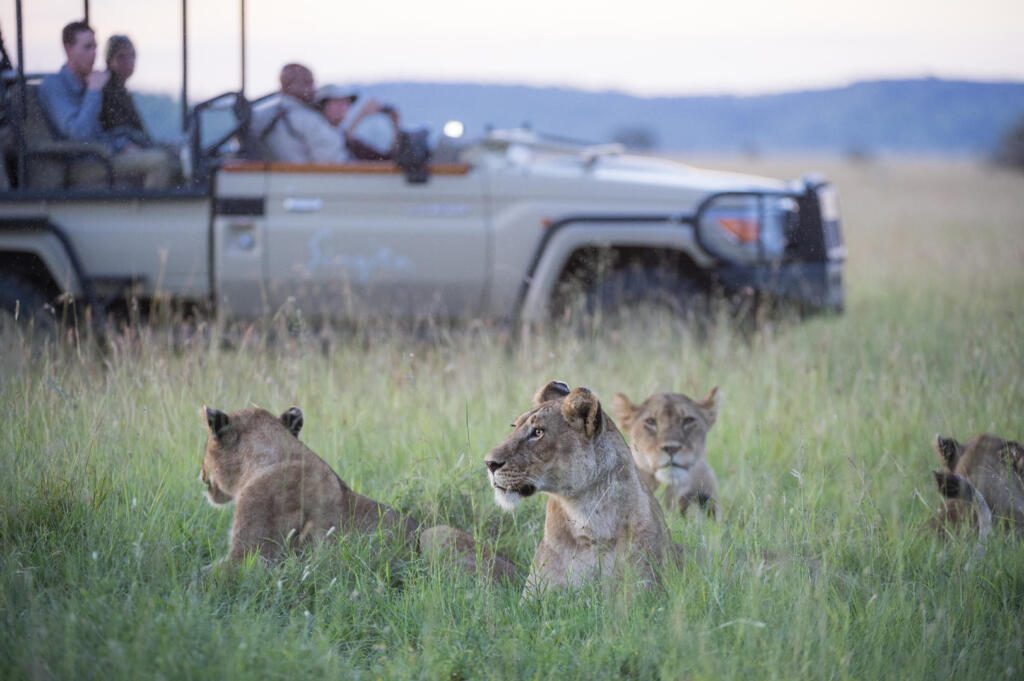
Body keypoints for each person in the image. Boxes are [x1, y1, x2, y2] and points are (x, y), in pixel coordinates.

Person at [38, 21, 172, 189]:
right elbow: (78, 134)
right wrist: (93, 92)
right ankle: (150, 214)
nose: (94, 54)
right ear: (68, 49)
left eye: (95, 47)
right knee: (158, 162)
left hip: (101, 157)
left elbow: (101, 133)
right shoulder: (55, 85)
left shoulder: (88, 83)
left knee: (168, 155)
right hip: (80, 164)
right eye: (87, 47)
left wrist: (123, 145)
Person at [314, 84, 401, 161]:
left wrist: (395, 125)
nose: (343, 107)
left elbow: (384, 160)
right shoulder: (318, 131)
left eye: (346, 103)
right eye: (337, 102)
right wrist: (361, 116)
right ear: (322, 105)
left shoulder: (341, 134)